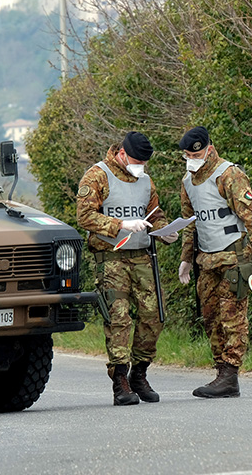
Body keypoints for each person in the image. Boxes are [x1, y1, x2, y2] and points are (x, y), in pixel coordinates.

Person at [77, 131, 178, 406]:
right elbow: (85, 216)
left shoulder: (144, 180)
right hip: (111, 257)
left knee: (154, 313)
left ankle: (140, 373)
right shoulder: (97, 176)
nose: (139, 167)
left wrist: (165, 231)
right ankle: (120, 380)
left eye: (143, 163)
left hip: (142, 255)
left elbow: (154, 213)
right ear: (121, 153)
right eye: (135, 161)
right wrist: (120, 224)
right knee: (118, 318)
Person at [177, 126, 252, 398]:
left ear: (208, 148)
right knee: (210, 317)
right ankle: (221, 372)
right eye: (186, 155)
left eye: (195, 154)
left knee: (233, 317)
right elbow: (189, 223)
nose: (190, 159)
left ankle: (230, 375)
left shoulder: (229, 175)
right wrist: (186, 258)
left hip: (234, 256)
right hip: (206, 260)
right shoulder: (187, 182)